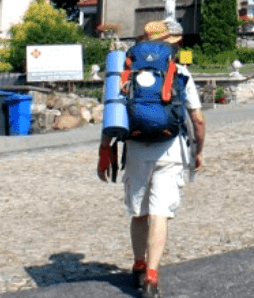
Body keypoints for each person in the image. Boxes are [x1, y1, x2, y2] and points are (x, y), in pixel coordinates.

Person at [98, 20, 205, 298]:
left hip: (135, 149)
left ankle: (138, 264)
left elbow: (112, 114)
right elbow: (198, 120)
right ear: (171, 44)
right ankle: (152, 278)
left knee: (139, 212)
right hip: (171, 149)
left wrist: (105, 149)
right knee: (160, 213)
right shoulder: (180, 72)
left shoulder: (124, 73)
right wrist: (198, 151)